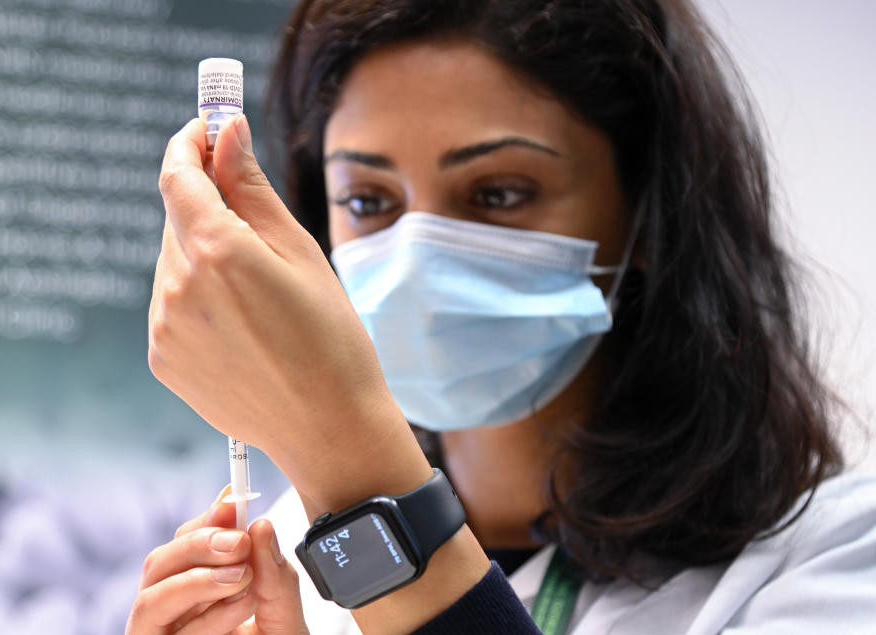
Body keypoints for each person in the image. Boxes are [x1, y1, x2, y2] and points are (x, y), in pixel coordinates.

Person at [126, 0, 876, 633]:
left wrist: (363, 487)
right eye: (367, 201)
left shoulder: (829, 554)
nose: (416, 255)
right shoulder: (289, 557)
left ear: (648, 212)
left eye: (499, 193)